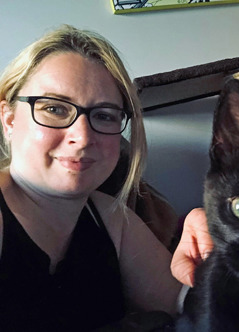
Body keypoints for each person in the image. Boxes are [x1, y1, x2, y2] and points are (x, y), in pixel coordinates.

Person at [0, 24, 212, 331]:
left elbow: (194, 311)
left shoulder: (112, 220)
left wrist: (220, 240)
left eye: (103, 115)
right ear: (8, 119)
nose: (83, 137)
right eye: (55, 109)